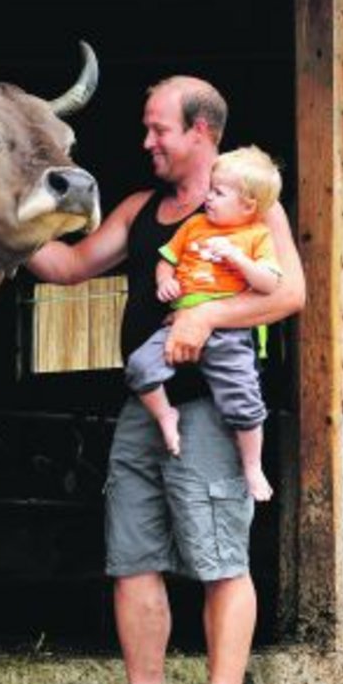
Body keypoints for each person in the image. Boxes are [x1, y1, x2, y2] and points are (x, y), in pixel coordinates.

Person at [25, 76, 304, 684]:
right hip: (143, 406)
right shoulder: (142, 208)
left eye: (159, 130)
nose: (146, 141)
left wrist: (208, 313)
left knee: (220, 560)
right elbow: (65, 267)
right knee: (131, 556)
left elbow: (289, 293)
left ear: (201, 134)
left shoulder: (252, 209)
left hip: (212, 407)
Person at [124, 145, 285, 501]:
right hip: (176, 321)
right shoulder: (194, 225)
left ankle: (252, 466)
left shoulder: (257, 235)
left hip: (229, 334)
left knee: (245, 402)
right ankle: (165, 416)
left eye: (218, 192)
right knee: (138, 367)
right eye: (210, 189)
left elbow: (271, 284)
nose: (208, 198)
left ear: (248, 205)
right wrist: (164, 280)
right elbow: (166, 259)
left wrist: (240, 260)